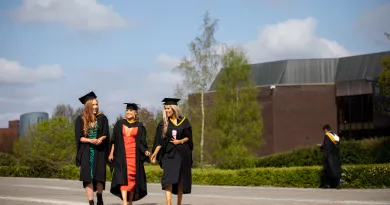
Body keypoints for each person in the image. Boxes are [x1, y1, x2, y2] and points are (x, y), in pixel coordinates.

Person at [151, 98, 193, 205]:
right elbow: (159, 142)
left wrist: (180, 141)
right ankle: (168, 203)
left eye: (168, 108)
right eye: (165, 108)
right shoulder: (163, 124)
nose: (166, 110)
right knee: (168, 179)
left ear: (174, 108)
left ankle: (179, 203)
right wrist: (154, 154)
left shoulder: (184, 121)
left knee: (179, 180)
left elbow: (188, 137)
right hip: (168, 154)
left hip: (181, 154)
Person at [109, 103, 150, 205]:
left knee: (132, 177)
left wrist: (145, 151)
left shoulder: (140, 126)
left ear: (135, 112)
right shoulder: (119, 124)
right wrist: (111, 153)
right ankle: (124, 201)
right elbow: (114, 140)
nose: (128, 112)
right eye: (127, 110)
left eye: (131, 110)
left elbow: (141, 143)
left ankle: (130, 201)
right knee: (122, 176)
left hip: (133, 155)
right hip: (121, 154)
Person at [75, 91, 110, 205]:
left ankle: (99, 197)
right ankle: (91, 202)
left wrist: (101, 138)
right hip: (86, 151)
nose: (96, 107)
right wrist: (90, 140)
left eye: (97, 104)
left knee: (99, 177)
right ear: (88, 106)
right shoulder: (80, 119)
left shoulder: (102, 118)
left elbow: (106, 133)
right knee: (88, 178)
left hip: (100, 151)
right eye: (93, 105)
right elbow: (79, 137)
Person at [319, 124, 342, 189]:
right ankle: (337, 184)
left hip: (329, 157)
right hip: (336, 156)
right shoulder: (335, 136)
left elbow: (327, 147)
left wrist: (322, 147)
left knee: (328, 170)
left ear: (326, 130)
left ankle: (328, 184)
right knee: (336, 169)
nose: (324, 132)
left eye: (324, 130)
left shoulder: (327, 136)